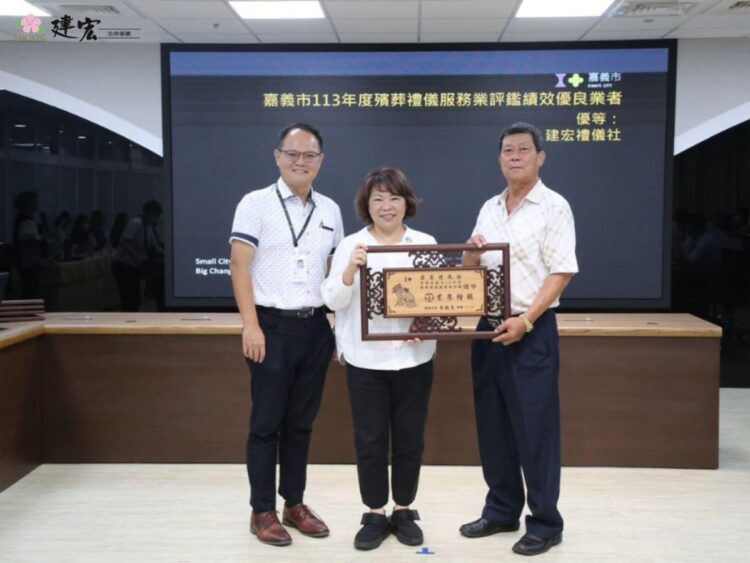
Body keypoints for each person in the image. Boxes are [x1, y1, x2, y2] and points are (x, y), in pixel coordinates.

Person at [460, 122, 578, 556]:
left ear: (540, 157)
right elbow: (471, 269)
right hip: (488, 329)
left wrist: (526, 321)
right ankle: (501, 510)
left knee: (535, 431)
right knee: (493, 426)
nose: (514, 156)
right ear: (499, 159)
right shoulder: (490, 207)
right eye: (508, 150)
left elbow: (561, 271)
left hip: (530, 330)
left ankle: (545, 522)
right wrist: (470, 254)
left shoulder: (554, 207)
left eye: (523, 150)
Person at [229, 123, 344, 547]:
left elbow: (334, 272)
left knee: (301, 423)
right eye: (292, 153)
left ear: (321, 161)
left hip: (315, 328)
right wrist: (251, 324)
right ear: (277, 156)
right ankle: (262, 510)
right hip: (270, 327)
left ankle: (294, 504)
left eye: (309, 155)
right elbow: (239, 265)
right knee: (266, 423)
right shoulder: (255, 203)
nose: (300, 161)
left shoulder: (330, 210)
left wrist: (337, 326)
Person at [321, 168, 436, 551]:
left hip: (414, 358)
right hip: (365, 360)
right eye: (378, 199)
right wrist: (350, 270)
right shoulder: (351, 245)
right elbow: (331, 299)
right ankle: (374, 511)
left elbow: (437, 298)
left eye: (394, 198)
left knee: (410, 438)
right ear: (366, 206)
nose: (387, 206)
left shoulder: (425, 243)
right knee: (369, 439)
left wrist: (427, 323)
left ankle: (403, 509)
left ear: (407, 203)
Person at [111, 200, 164, 311]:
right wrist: (137, 256)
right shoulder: (136, 223)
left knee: (135, 298)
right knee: (130, 298)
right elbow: (124, 241)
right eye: (156, 216)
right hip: (123, 265)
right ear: (150, 213)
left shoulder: (147, 226)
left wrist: (167, 256)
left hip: (132, 266)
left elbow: (154, 246)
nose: (157, 219)